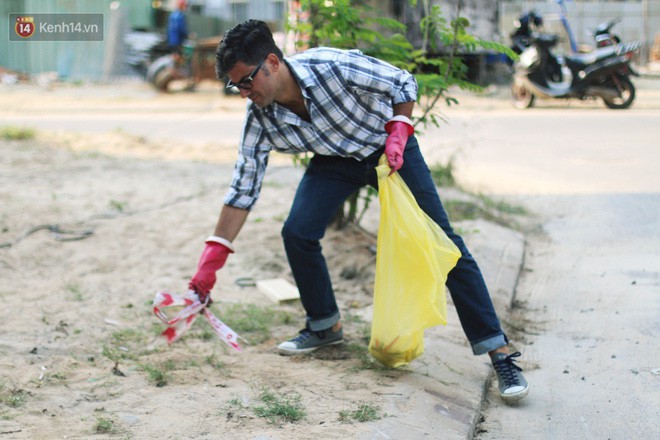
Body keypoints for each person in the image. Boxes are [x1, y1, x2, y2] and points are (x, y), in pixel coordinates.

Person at [188, 19, 529, 403]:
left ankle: (500, 353)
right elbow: (243, 187)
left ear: (272, 62)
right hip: (335, 160)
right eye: (236, 87)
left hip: (390, 149)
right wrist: (209, 265)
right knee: (298, 232)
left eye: (247, 81)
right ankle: (324, 325)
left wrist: (399, 128)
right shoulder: (260, 118)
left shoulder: (331, 66)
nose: (243, 93)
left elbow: (402, 81)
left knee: (443, 244)